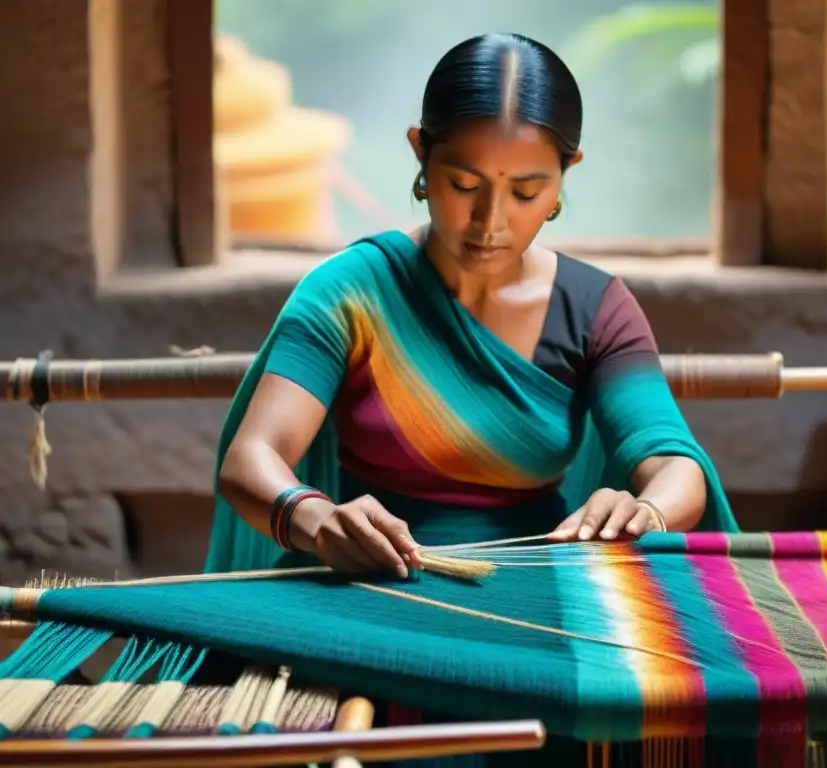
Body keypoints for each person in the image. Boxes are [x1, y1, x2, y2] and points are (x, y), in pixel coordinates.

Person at [209, 31, 736, 766]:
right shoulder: (353, 291)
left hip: (541, 607)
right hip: (364, 590)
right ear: (420, 154)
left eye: (526, 191)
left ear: (565, 176)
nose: (491, 222)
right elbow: (253, 458)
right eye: (464, 184)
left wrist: (644, 509)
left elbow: (671, 459)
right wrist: (315, 519)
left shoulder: (596, 310)